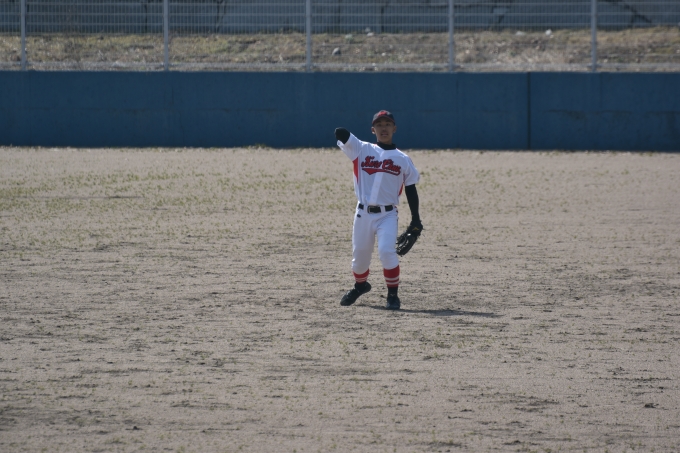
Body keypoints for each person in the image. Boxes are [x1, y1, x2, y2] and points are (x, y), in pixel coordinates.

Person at [334, 110, 422, 310]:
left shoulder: (403, 159)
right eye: (379, 124)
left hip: (387, 215)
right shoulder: (361, 149)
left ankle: (392, 295)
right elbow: (340, 132)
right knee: (359, 260)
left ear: (394, 129)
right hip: (363, 214)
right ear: (372, 129)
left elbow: (411, 189)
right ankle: (360, 286)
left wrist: (416, 219)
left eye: (388, 124)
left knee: (386, 252)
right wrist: (350, 138)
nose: (384, 128)